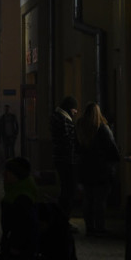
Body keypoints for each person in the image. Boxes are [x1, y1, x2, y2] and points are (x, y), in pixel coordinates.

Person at [75, 102, 119, 236]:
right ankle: (99, 227)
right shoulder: (103, 129)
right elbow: (113, 150)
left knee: (88, 199)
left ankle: (89, 226)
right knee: (100, 200)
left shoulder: (81, 129)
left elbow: (77, 149)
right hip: (102, 170)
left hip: (85, 170)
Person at [49, 96, 79, 224]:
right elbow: (68, 141)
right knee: (69, 191)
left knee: (65, 189)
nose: (75, 112)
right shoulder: (64, 120)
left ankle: (61, 218)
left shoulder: (56, 117)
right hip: (67, 160)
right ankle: (63, 219)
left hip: (60, 158)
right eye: (74, 109)